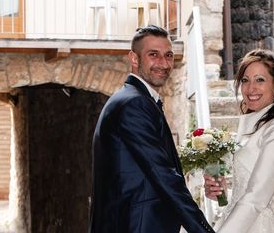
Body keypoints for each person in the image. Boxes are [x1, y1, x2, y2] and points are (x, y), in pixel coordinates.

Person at [89, 25, 215, 233]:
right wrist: (203, 229)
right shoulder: (133, 104)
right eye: (153, 55)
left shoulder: (132, 99)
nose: (164, 63)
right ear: (134, 58)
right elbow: (163, 174)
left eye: (168, 55)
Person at [204, 49, 274, 233]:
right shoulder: (252, 123)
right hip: (239, 222)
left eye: (260, 80)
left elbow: (257, 195)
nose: (250, 89)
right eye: (245, 80)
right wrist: (220, 193)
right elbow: (244, 189)